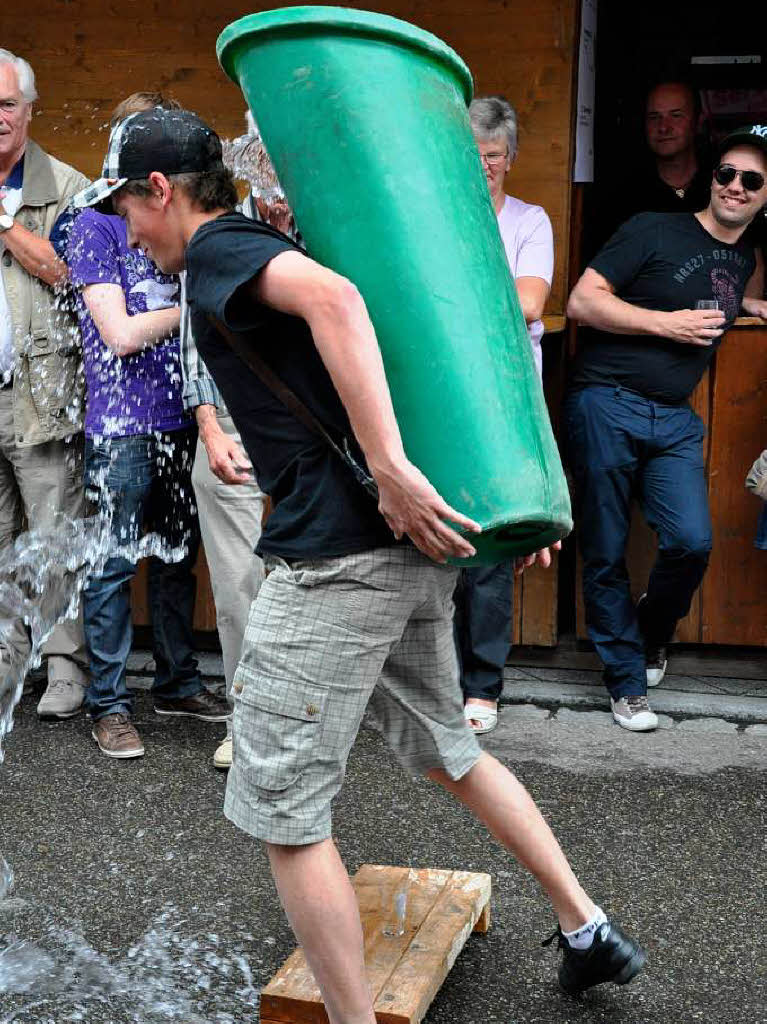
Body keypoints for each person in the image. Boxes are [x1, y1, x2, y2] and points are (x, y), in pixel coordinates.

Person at [76, 106, 647, 1005]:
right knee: (445, 749)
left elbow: (338, 304)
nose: (126, 231)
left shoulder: (222, 246)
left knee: (283, 810)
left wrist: (386, 468)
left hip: (340, 565)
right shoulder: (247, 243)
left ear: (160, 190)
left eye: (126, 209)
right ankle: (587, 927)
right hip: (402, 555)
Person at [565, 125, 767, 732]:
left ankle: (650, 632)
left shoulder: (746, 258)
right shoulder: (652, 228)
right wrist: (666, 325)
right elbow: (582, 301)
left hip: (673, 418)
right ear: (712, 178)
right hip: (606, 401)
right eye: (726, 173)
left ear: (765, 198)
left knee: (690, 542)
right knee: (603, 549)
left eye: (751, 181)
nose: (734, 186)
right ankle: (627, 687)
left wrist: (754, 305)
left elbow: (741, 294)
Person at [66, 94, 230, 759]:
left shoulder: (181, 218)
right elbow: (121, 334)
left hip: (181, 414)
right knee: (110, 565)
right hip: (119, 423)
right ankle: (107, 704)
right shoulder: (92, 224)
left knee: (174, 561)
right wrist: (195, 302)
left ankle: (176, 681)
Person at [456, 95, 555, 735]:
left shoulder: (530, 220)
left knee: (491, 551)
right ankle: (435, 682)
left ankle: (482, 688)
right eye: (472, 155)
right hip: (445, 398)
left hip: (507, 403)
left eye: (493, 156)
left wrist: (456, 296)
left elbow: (527, 300)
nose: (483, 166)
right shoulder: (440, 218)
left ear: (510, 159)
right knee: (440, 546)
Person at [0, 49, 91, 717]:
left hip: (41, 389)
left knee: (54, 534)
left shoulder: (65, 185)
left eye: (6, 104)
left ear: (30, 110)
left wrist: (3, 222)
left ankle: (63, 668)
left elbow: (69, 272)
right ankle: (5, 666)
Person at [598, 81, 712, 248]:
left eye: (676, 115)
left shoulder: (722, 186)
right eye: (654, 117)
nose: (663, 127)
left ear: (698, 121)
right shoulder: (625, 194)